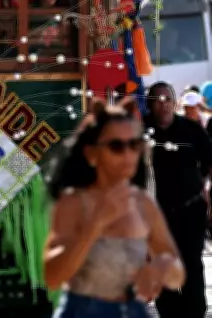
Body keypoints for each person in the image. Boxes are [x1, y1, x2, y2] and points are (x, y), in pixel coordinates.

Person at [45, 98, 184, 318]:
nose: (128, 155)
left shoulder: (142, 203)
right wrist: (94, 225)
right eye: (116, 146)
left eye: (134, 145)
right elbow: (52, 277)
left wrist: (164, 266)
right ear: (92, 154)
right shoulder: (74, 202)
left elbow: (178, 274)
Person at [144, 82, 212, 318]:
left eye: (167, 99)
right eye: (157, 100)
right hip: (157, 216)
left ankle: (195, 312)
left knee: (192, 265)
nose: (163, 105)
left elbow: (209, 163)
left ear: (174, 103)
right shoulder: (140, 132)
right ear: (150, 104)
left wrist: (205, 189)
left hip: (190, 211)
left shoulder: (192, 131)